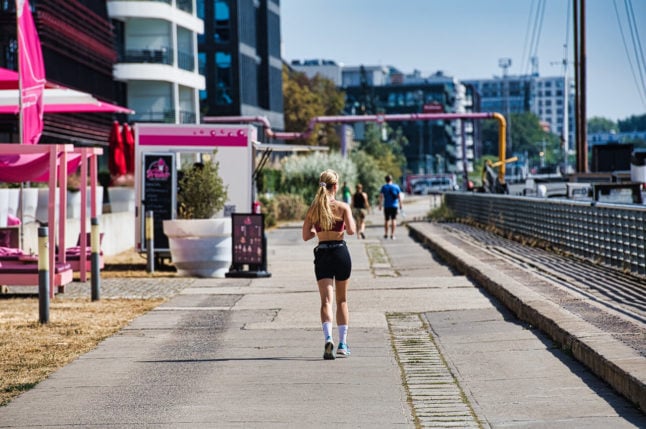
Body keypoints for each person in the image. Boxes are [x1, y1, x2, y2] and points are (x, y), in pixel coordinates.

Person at [302, 169, 356, 360]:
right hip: (340, 252)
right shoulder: (343, 207)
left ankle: (328, 339)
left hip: (323, 253)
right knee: (342, 300)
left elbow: (306, 235)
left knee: (326, 301)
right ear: (336, 186)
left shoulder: (314, 208)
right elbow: (351, 230)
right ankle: (342, 343)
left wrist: (319, 232)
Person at [378, 174, 403, 240]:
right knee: (394, 219)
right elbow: (399, 196)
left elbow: (381, 196)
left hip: (386, 206)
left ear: (385, 180)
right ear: (391, 179)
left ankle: (386, 234)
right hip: (394, 205)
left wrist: (380, 205)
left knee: (386, 220)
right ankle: (392, 235)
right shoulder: (396, 186)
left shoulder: (384, 187)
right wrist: (400, 205)